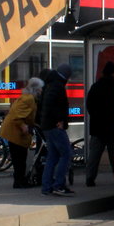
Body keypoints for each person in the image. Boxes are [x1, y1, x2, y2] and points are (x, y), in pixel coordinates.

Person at [0, 76, 43, 188]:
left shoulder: (28, 98)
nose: (42, 91)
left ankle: (20, 181)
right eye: (41, 88)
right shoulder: (28, 99)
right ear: (36, 89)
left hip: (16, 133)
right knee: (19, 158)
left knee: (20, 157)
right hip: (15, 133)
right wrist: (23, 125)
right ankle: (19, 182)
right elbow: (16, 116)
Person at [37, 64, 75, 196]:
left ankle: (47, 186)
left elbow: (43, 105)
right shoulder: (57, 85)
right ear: (66, 75)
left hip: (47, 126)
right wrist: (59, 120)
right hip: (54, 126)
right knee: (66, 154)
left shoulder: (50, 83)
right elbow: (51, 105)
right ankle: (59, 184)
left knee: (52, 156)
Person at [83, 62, 114, 187]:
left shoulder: (95, 86)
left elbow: (89, 105)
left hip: (97, 127)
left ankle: (90, 178)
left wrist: (96, 117)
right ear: (113, 73)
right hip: (112, 127)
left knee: (94, 155)